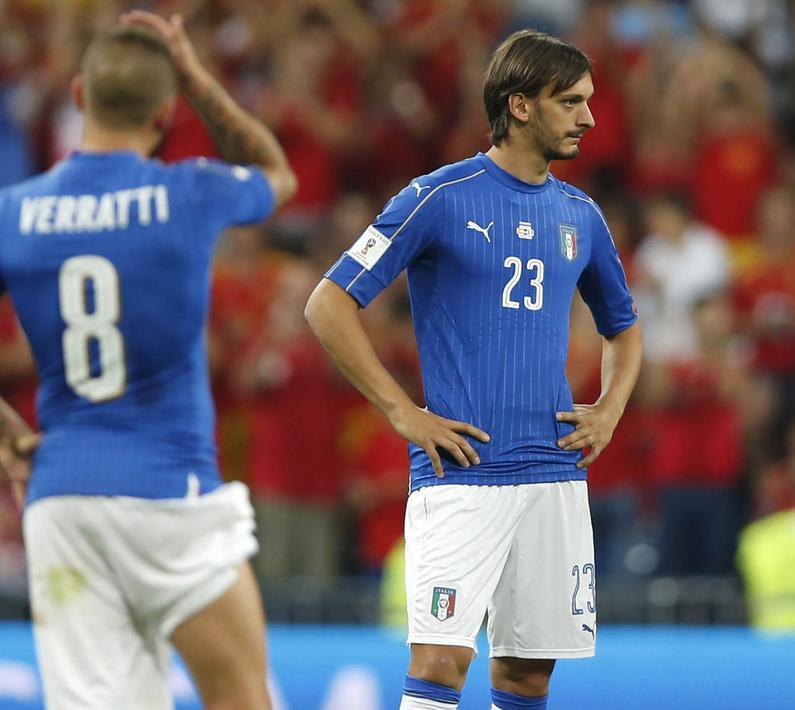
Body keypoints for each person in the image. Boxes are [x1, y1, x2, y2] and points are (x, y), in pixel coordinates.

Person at [304, 30, 642, 710]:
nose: (589, 119)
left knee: (526, 676)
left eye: (588, 101)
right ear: (519, 106)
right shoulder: (438, 196)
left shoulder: (581, 214)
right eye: (570, 102)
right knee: (439, 661)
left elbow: (624, 330)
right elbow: (327, 303)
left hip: (550, 475)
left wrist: (608, 407)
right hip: (461, 475)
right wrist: (402, 411)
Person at [0, 12, 296, 709]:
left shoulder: (12, 213)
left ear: (79, 95)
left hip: (62, 498)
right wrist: (197, 77)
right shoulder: (189, 191)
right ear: (166, 111)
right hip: (172, 495)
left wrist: (11, 437)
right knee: (242, 697)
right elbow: (277, 174)